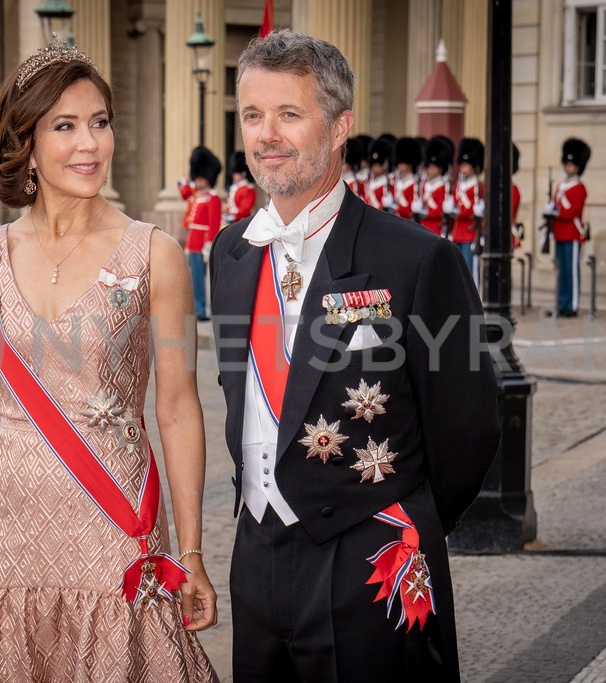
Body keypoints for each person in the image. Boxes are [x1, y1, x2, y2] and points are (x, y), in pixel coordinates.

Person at [210, 29, 501, 682]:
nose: (266, 135)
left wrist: (399, 518)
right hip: (255, 554)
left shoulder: (416, 260)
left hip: (366, 557)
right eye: (252, 114)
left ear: (340, 126)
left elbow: (467, 428)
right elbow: (240, 395)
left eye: (289, 113)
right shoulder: (230, 252)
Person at [0, 38, 218, 682]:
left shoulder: (155, 254)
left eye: (100, 122)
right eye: (65, 126)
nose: (91, 144)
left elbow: (176, 409)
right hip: (10, 534)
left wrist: (192, 551)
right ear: (26, 143)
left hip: (116, 525)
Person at [544, 137, 590, 317]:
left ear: (578, 167)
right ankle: (561, 304)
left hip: (572, 233)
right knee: (561, 271)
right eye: (567, 163)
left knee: (571, 272)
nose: (568, 167)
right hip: (560, 233)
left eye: (572, 164)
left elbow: (574, 211)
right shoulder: (561, 185)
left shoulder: (579, 187)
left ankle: (572, 305)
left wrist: (557, 211)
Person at [179, 146, 222, 321]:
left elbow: (214, 222)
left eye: (201, 177)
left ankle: (202, 309)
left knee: (201, 279)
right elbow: (184, 193)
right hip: (192, 242)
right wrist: (187, 179)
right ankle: (197, 308)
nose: (198, 180)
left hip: (202, 243)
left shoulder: (213, 197)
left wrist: (209, 243)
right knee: (193, 278)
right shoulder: (197, 195)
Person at [448, 137, 485, 275]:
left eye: (467, 164)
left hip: (470, 234)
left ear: (474, 165)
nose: (463, 167)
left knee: (470, 272)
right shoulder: (458, 186)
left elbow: (472, 212)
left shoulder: (478, 186)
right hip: (456, 233)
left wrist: (458, 211)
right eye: (462, 163)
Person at [418, 135, 453, 236]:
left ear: (441, 168)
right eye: (430, 166)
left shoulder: (444, 186)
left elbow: (440, 211)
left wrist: (427, 211)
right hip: (423, 227)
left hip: (437, 229)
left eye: (434, 167)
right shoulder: (423, 186)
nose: (431, 170)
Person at [392, 137, 423, 221]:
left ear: (410, 164)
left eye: (403, 163)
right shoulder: (395, 183)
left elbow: (410, 209)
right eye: (399, 163)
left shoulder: (415, 184)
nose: (400, 166)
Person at [224, 150, 258, 227]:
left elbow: (245, 210)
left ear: (243, 173)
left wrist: (232, 215)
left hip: (242, 223)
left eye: (236, 173)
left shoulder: (249, 190)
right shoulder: (235, 188)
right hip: (232, 221)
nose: (233, 175)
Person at [363, 138, 396, 212]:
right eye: (374, 164)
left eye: (378, 165)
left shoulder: (391, 183)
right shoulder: (367, 182)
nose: (375, 168)